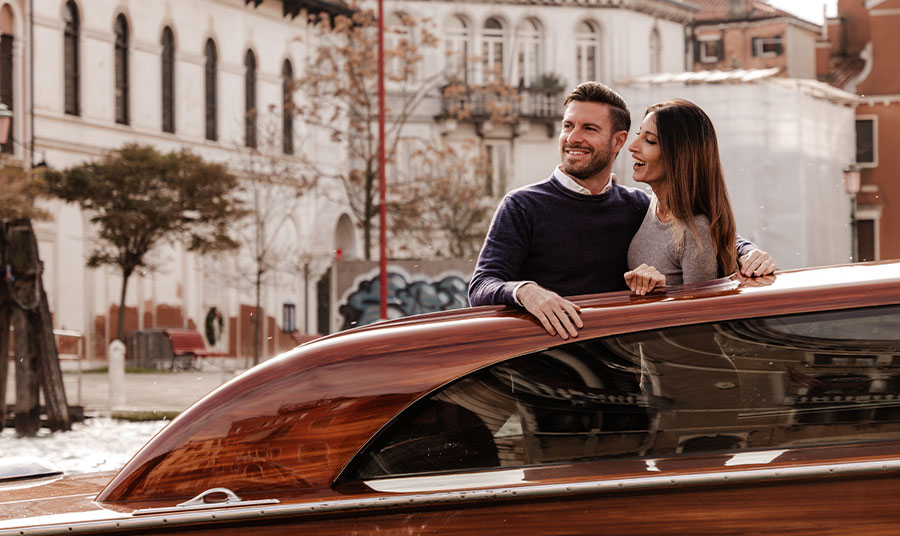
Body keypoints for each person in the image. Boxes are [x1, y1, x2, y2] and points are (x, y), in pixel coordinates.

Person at [468, 82, 775, 339]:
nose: (573, 138)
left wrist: (746, 251)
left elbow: (695, 228)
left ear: (618, 141)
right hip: (544, 382)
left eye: (588, 128)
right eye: (567, 126)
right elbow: (481, 287)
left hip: (623, 380)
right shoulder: (521, 206)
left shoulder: (636, 206)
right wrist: (526, 292)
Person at [623, 99, 739, 296]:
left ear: (678, 155)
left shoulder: (695, 230)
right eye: (638, 135)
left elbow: (700, 315)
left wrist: (663, 292)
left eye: (649, 140)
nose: (632, 146)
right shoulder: (652, 205)